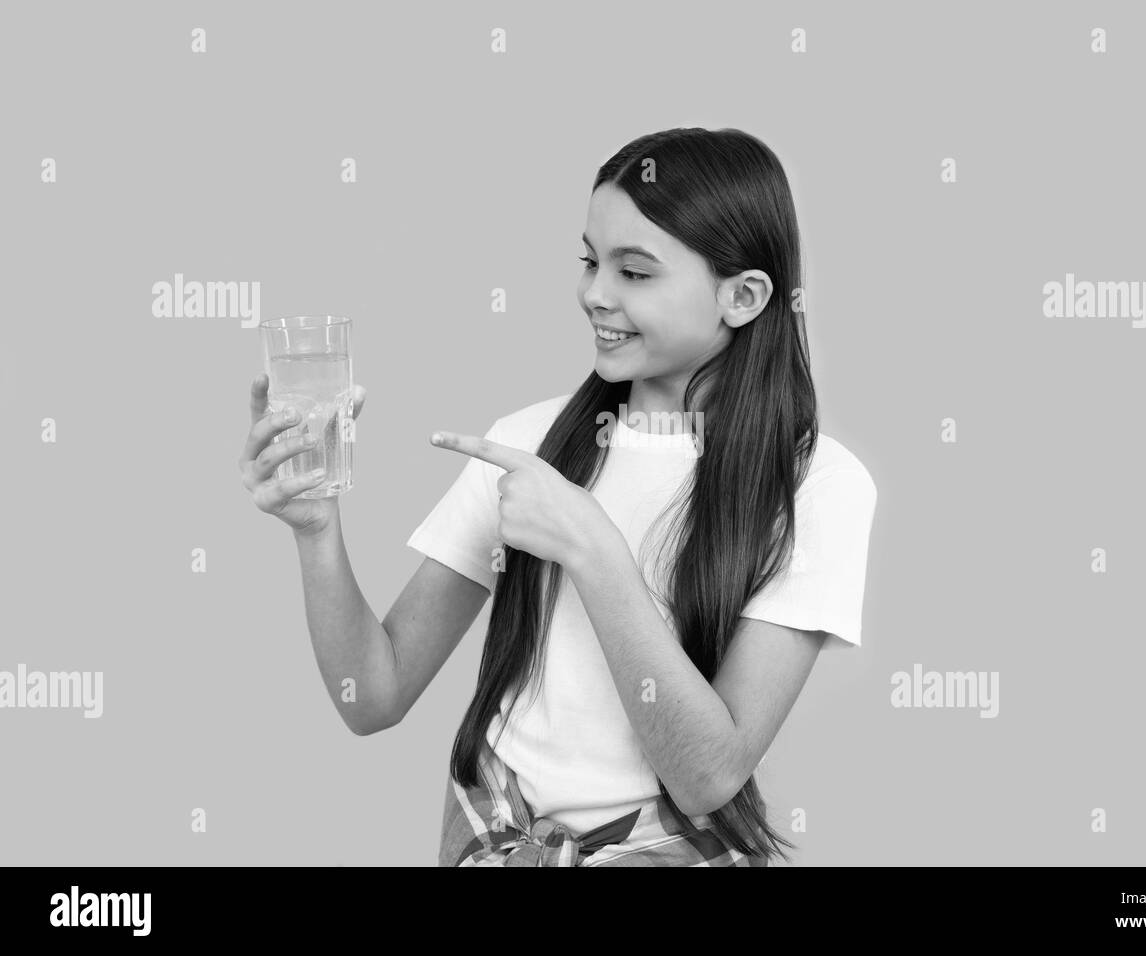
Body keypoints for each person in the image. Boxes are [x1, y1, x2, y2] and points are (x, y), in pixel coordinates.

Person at [238, 127, 877, 866]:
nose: (594, 294)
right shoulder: (525, 444)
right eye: (590, 261)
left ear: (743, 296)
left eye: (635, 272)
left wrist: (590, 545)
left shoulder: (816, 486)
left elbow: (709, 776)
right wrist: (316, 533)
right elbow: (370, 698)